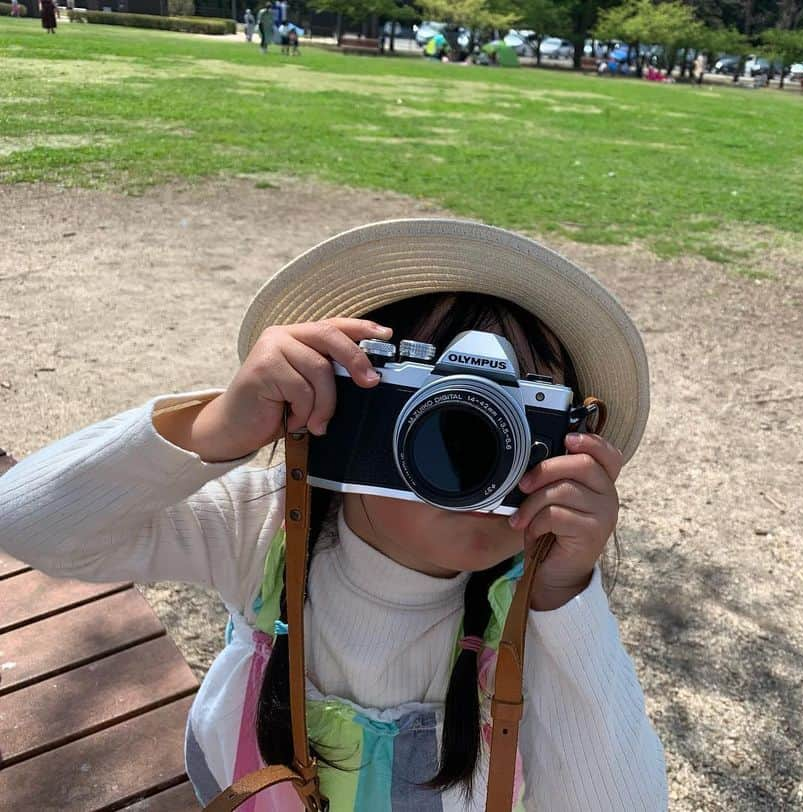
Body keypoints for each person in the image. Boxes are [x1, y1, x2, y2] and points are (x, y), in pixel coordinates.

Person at [0, 220, 668, 810]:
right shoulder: (267, 528)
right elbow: (28, 523)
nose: (484, 460)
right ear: (347, 405)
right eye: (445, 416)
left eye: (523, 420)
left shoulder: (530, 606)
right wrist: (211, 429)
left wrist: (564, 599)